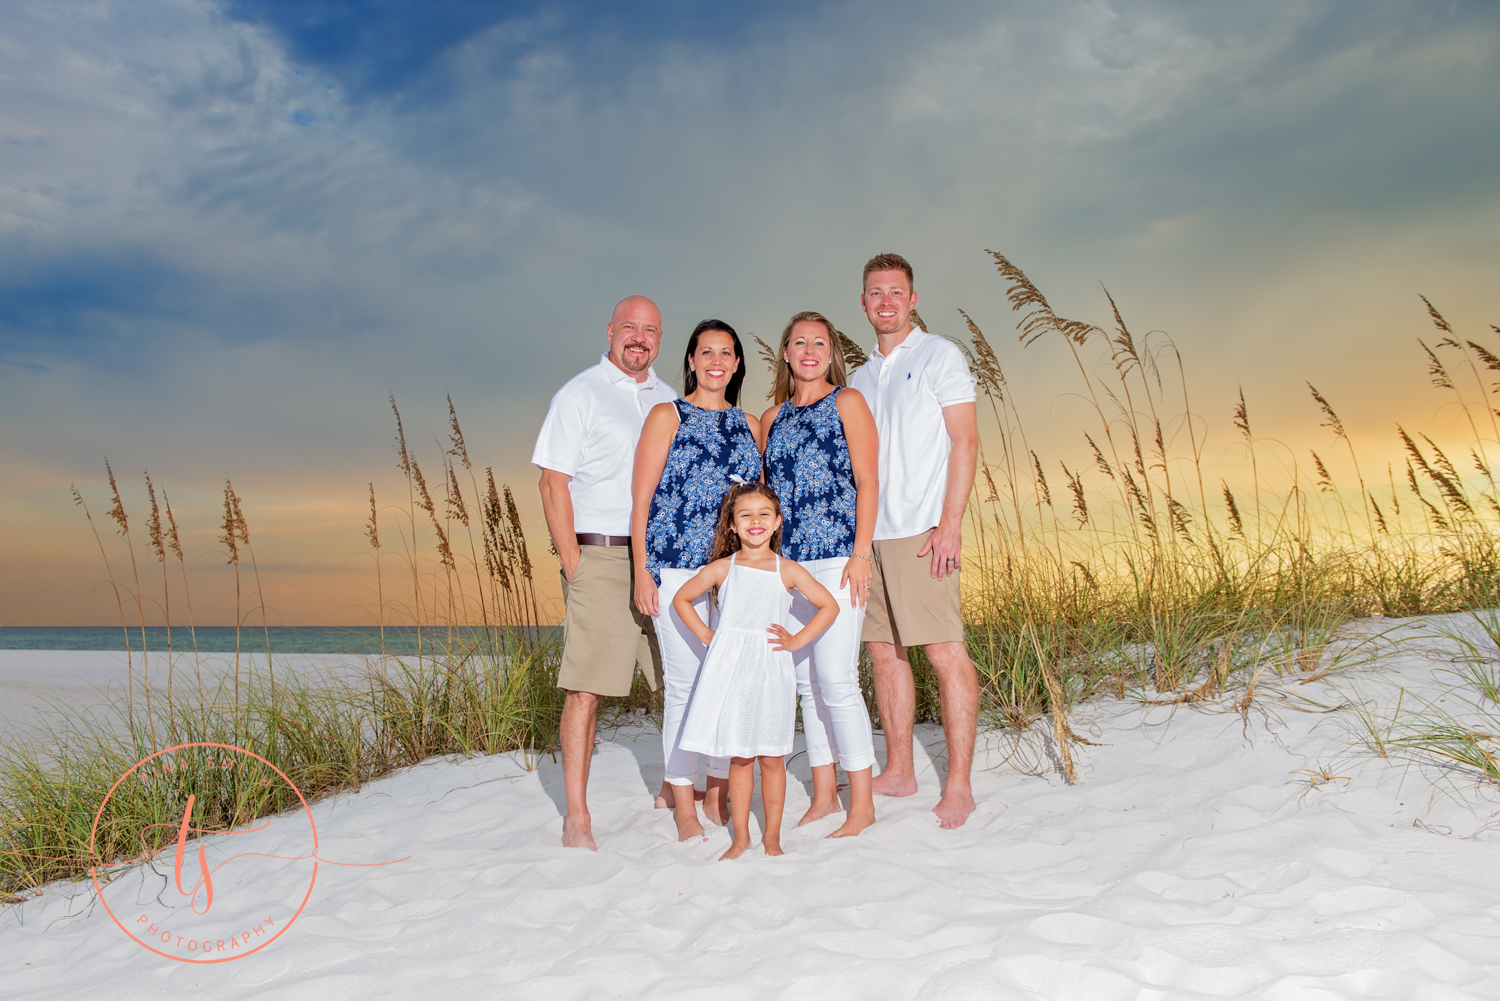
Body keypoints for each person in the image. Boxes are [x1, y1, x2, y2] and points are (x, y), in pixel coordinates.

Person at [534, 295, 678, 850]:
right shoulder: (579, 394)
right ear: (611, 331)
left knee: (678, 680)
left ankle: (674, 785)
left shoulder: (669, 400)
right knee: (587, 689)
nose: (638, 338)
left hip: (664, 563)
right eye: (629, 328)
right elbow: (553, 483)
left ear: (660, 340)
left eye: (650, 330)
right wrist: (574, 562)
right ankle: (577, 815)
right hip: (602, 556)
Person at [848, 253, 981, 830]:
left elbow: (965, 442)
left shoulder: (939, 355)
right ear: (863, 303)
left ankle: (959, 784)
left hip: (922, 533)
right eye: (875, 293)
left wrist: (949, 523)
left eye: (895, 292)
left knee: (943, 652)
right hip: (869, 538)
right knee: (883, 653)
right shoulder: (857, 377)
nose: (885, 302)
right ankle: (899, 768)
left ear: (913, 299)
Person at [631, 319, 762, 842]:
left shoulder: (750, 424)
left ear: (735, 364)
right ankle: (683, 800)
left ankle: (716, 789)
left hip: (734, 573)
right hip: (677, 568)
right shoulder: (667, 415)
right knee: (685, 685)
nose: (715, 361)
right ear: (690, 360)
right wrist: (644, 571)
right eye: (705, 351)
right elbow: (640, 501)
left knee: (728, 681)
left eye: (725, 353)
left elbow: (759, 506)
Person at [759, 310, 880, 838]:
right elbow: (764, 501)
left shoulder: (848, 402)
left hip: (837, 560)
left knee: (837, 680)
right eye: (799, 342)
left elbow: (869, 482)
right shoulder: (772, 418)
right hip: (790, 568)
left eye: (820, 342)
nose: (809, 350)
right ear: (785, 353)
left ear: (832, 352)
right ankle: (826, 794)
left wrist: (862, 553)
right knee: (806, 683)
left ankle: (864, 804)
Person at [673, 483, 840, 860]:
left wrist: (797, 641)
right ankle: (741, 838)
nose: (755, 521)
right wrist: (707, 635)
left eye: (764, 514)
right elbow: (682, 598)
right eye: (745, 515)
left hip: (771, 670)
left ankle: (772, 838)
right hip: (732, 671)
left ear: (778, 522)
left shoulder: (788, 570)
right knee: (740, 758)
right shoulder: (723, 568)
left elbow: (829, 606)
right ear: (731, 525)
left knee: (772, 758)